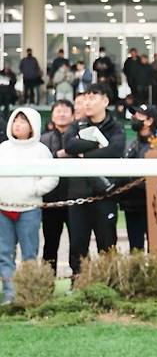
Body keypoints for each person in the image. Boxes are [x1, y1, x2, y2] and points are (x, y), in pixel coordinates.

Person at [63, 85, 125, 276]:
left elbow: (115, 150)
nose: (87, 102)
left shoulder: (116, 127)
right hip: (78, 195)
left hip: (105, 196)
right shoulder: (77, 125)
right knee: (77, 244)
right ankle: (78, 282)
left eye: (93, 97)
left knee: (107, 244)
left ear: (105, 101)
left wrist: (85, 153)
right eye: (85, 98)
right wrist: (96, 144)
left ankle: (109, 282)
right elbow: (70, 145)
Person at [0, 108, 58, 303]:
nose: (18, 125)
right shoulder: (3, 148)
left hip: (29, 209)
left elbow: (51, 177)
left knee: (29, 253)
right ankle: (9, 293)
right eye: (15, 121)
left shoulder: (41, 150)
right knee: (4, 253)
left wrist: (34, 189)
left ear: (32, 125)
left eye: (23, 121)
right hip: (3, 208)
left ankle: (29, 293)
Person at [40, 99, 75, 275]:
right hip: (51, 201)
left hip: (75, 198)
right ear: (52, 116)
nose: (61, 114)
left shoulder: (79, 137)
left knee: (77, 243)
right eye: (58, 111)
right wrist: (58, 155)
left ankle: (77, 280)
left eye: (65, 111)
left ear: (73, 115)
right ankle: (46, 282)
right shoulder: (43, 140)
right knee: (50, 243)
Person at [119, 104, 157, 250]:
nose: (134, 118)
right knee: (135, 248)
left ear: (149, 121)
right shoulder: (130, 144)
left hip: (154, 204)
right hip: (131, 204)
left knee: (156, 246)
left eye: (138, 115)